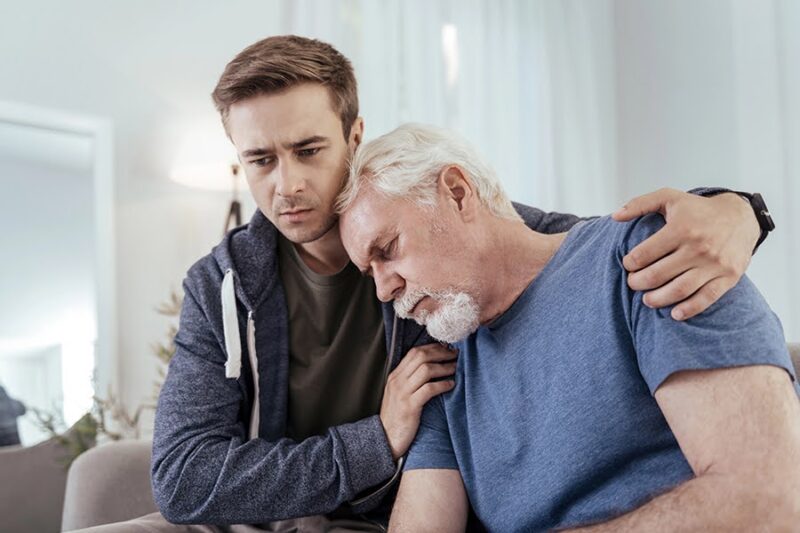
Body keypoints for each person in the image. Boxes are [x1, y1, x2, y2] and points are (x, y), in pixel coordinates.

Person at [80, 36, 768, 532]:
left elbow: (555, 249)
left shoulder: (445, 249)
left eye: (308, 150)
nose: (285, 184)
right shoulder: (222, 284)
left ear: (354, 134)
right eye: (259, 159)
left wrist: (740, 210)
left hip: (380, 513)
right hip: (269, 513)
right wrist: (376, 439)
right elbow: (182, 477)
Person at [336, 123, 800, 533]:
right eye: (368, 271)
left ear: (457, 193)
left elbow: (770, 501)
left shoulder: (646, 259)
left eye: (388, 248)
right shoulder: (443, 370)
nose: (382, 289)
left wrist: (741, 210)